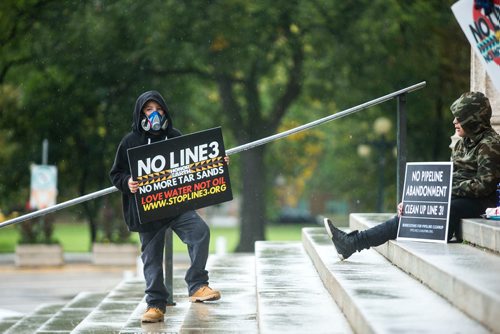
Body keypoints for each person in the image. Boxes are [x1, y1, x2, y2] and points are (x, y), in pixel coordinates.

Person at [324, 91, 500, 260]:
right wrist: (415, 199)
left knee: (445, 209)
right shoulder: (463, 143)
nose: (454, 121)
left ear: (473, 119)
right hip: (457, 197)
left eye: (460, 118)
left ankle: (352, 243)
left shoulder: (490, 144)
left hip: (481, 202)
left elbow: (484, 186)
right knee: (411, 211)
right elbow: (448, 177)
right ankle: (351, 244)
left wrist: (446, 191)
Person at [110, 90, 221, 323]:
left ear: (165, 112)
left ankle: (198, 285)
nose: (155, 114)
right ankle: (155, 305)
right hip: (146, 211)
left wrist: (216, 161)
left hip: (176, 204)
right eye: (149, 110)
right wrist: (127, 182)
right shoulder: (129, 141)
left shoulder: (175, 136)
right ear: (141, 113)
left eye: (158, 110)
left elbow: (193, 164)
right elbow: (116, 173)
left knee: (200, 232)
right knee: (151, 257)